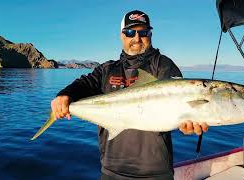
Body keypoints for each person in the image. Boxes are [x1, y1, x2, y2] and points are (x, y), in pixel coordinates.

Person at [51, 10, 208, 180]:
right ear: (122, 36)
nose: (137, 38)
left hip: (156, 172)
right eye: (130, 32)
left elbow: (181, 105)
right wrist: (65, 95)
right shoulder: (107, 70)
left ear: (150, 34)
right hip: (111, 170)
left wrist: (188, 123)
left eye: (143, 32)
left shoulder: (163, 66)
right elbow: (84, 84)